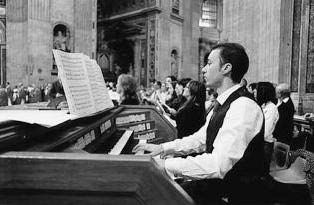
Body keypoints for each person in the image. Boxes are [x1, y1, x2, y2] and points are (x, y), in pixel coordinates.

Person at [133, 43, 266, 203]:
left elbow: (219, 165)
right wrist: (163, 148)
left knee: (156, 195)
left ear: (226, 68)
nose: (203, 69)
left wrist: (165, 165)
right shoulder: (224, 103)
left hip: (236, 195)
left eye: (209, 63)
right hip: (219, 187)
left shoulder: (243, 106)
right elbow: (201, 139)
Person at [256, 81, 279, 169]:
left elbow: (266, 131)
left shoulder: (271, 108)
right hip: (261, 142)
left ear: (263, 93)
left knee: (262, 171)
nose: (255, 93)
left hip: (265, 144)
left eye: (257, 91)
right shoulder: (264, 106)